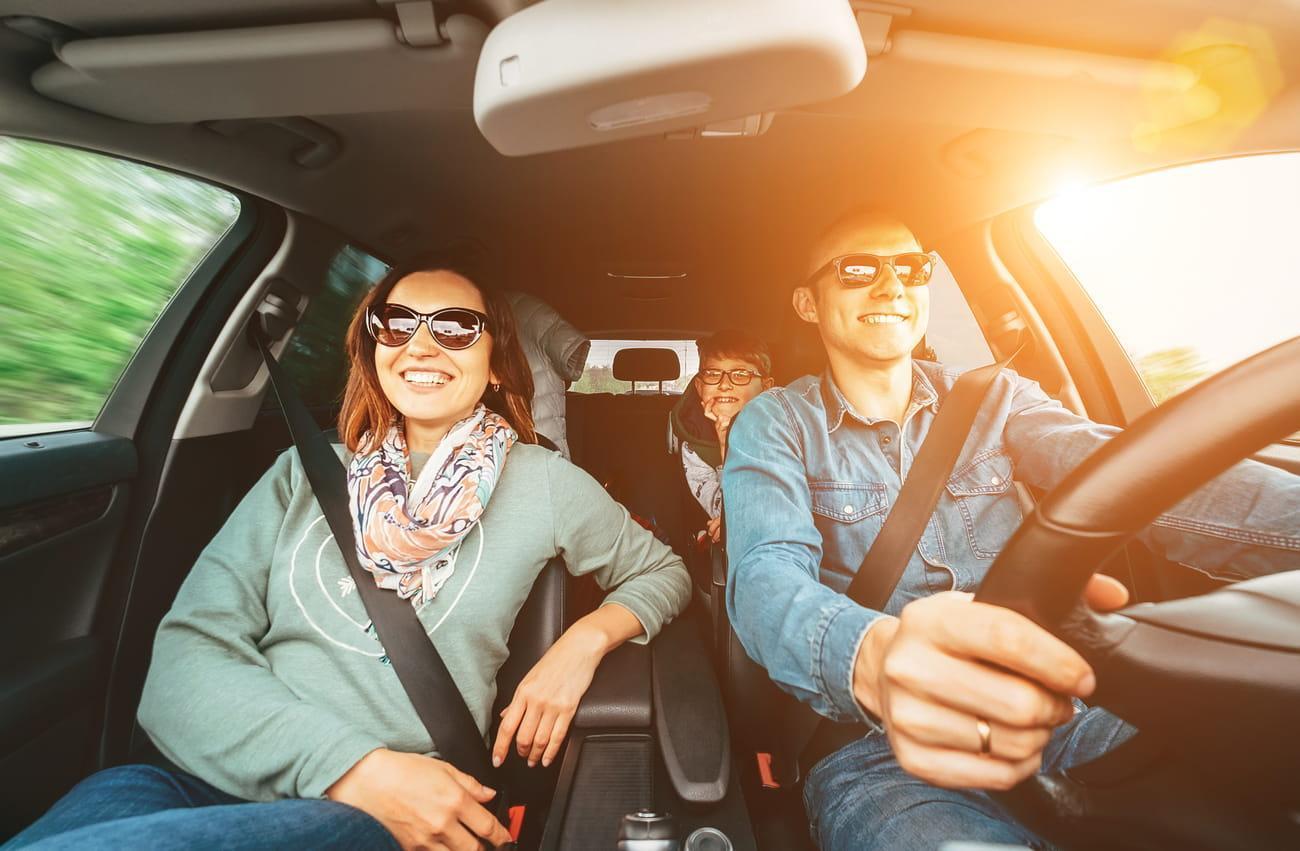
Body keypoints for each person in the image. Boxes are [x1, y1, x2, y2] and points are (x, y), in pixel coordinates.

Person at [6, 252, 691, 851]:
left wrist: (584, 640)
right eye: (398, 324)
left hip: (383, 815)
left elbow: (663, 569)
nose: (422, 345)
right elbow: (184, 664)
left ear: (493, 363)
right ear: (374, 348)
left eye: (455, 327)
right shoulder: (302, 473)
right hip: (192, 778)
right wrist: (350, 763)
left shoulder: (544, 483)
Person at [722, 209, 1299, 851]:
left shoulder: (997, 400)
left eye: (912, 267)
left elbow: (1133, 476)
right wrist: (878, 659)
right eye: (858, 269)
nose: (891, 287)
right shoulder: (775, 423)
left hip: (1059, 714)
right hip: (882, 751)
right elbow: (764, 576)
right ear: (808, 301)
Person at [670, 330, 774, 544]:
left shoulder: (785, 432)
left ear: (766, 387)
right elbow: (723, 510)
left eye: (741, 375)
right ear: (699, 387)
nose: (724, 384)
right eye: (712, 374)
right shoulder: (695, 444)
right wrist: (725, 440)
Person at [504, 290, 590, 459]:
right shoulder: (528, 311)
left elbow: (571, 363)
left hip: (537, 429)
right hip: (542, 430)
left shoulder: (526, 311)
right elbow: (571, 366)